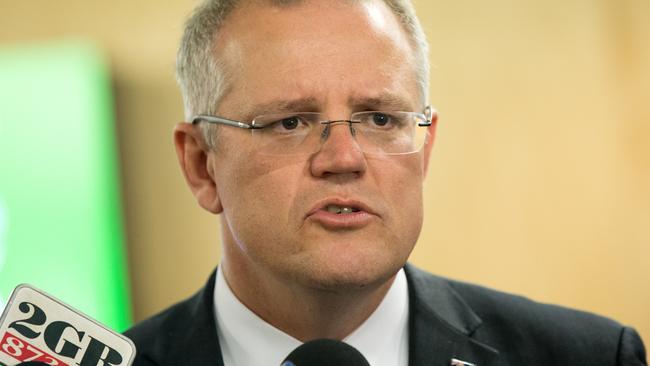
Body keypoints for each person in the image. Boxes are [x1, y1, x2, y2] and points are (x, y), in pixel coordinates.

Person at [125, 0, 647, 365]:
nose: (344, 159)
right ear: (200, 164)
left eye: (380, 119)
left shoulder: (590, 356)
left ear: (424, 151)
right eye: (290, 122)